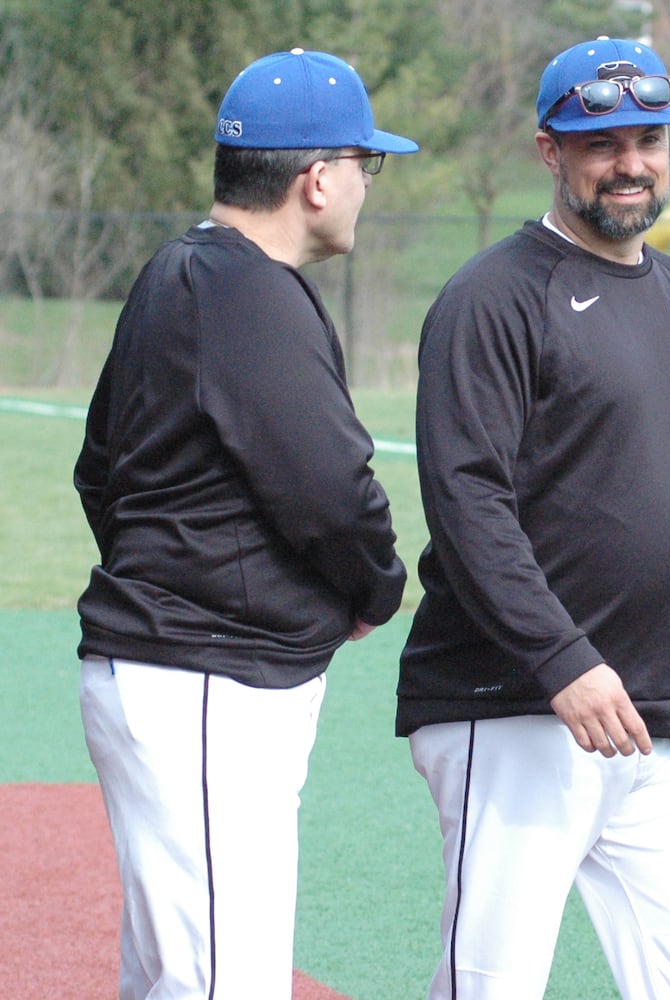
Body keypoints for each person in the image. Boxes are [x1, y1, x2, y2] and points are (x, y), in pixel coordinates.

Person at [396, 36, 670, 1000]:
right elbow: (467, 504)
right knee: (490, 984)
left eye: (649, 139)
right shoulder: (493, 299)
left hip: (666, 716)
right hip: (512, 708)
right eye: (602, 143)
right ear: (550, 151)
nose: (631, 164)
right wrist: (563, 661)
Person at [74, 48, 417, 999]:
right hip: (205, 680)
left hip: (170, 670)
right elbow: (333, 493)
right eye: (364, 163)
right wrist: (374, 591)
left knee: (173, 977)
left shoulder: (176, 269)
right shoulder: (251, 292)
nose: (364, 185)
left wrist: (160, 570)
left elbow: (98, 470)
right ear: (316, 180)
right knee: (225, 982)